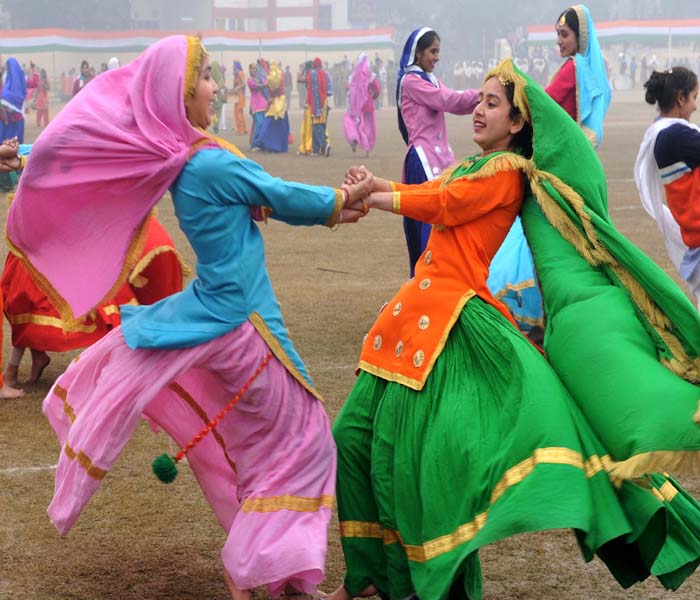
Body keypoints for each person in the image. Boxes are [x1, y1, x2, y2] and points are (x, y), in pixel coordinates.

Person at [6, 35, 371, 600]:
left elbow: (262, 197)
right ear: (179, 95)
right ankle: (249, 565)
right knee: (312, 437)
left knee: (264, 447)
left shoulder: (184, 154)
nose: (215, 86)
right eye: (204, 78)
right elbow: (280, 193)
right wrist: (341, 203)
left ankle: (284, 580)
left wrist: (332, 210)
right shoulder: (207, 162)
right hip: (246, 325)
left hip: (221, 316)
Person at [326, 59, 700, 599]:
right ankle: (363, 576)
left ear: (518, 123)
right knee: (351, 438)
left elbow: (443, 205)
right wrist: (373, 187)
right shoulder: (470, 165)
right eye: (478, 101)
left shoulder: (506, 173)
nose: (478, 110)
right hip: (407, 320)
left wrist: (376, 194)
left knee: (413, 456)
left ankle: (392, 583)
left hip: (453, 325)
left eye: (492, 103)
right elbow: (438, 191)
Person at [0, 143, 188, 385]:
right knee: (23, 285)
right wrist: (22, 159)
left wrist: (22, 161)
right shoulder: (81, 130)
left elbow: (87, 164)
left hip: (93, 230)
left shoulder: (114, 141)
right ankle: (23, 363)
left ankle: (120, 365)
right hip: (56, 224)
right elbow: (56, 148)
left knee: (106, 300)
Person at [396, 28, 479, 277]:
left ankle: (438, 279)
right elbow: (450, 101)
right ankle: (426, 280)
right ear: (418, 53)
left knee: (440, 222)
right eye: (432, 51)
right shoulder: (410, 82)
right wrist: (485, 94)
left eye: (438, 52)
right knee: (428, 224)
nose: (436, 57)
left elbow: (453, 100)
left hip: (439, 160)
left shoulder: (429, 80)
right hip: (422, 162)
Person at [634, 66, 700, 307]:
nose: (695, 106)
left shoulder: (664, 134)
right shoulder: (674, 136)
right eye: (694, 97)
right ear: (681, 98)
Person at [546, 4, 611, 148]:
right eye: (558, 34)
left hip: (560, 146)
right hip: (576, 146)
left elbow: (542, 101)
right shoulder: (587, 70)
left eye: (564, 34)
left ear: (580, 36)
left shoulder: (573, 67)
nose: (559, 40)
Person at [343, 54, 380, 158]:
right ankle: (368, 149)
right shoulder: (371, 76)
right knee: (369, 127)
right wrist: (374, 97)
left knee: (358, 126)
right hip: (368, 105)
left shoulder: (354, 76)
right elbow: (377, 88)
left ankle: (355, 139)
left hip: (356, 107)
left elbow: (348, 89)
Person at [256, 60, 290, 153]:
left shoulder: (271, 77)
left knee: (270, 123)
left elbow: (273, 89)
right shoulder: (280, 75)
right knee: (280, 124)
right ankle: (279, 145)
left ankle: (268, 144)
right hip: (281, 102)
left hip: (275, 102)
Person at [307, 57, 331, 157]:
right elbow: (330, 91)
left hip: (316, 103)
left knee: (317, 127)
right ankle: (316, 149)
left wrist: (317, 107)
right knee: (320, 126)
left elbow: (313, 91)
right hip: (325, 102)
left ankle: (324, 145)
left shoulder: (312, 74)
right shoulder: (326, 74)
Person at [247, 61, 268, 151]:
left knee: (264, 124)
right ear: (250, 70)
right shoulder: (249, 80)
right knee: (258, 123)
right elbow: (255, 87)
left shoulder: (260, 78)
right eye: (252, 69)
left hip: (263, 103)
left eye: (255, 69)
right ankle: (255, 144)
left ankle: (262, 144)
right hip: (255, 105)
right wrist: (264, 84)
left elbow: (266, 83)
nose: (254, 70)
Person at [232, 60, 247, 135]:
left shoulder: (240, 73)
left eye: (234, 64)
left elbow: (244, 84)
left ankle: (241, 129)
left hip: (240, 95)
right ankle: (242, 129)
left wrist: (237, 88)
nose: (233, 66)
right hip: (236, 95)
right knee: (238, 112)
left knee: (239, 112)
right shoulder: (235, 74)